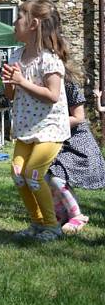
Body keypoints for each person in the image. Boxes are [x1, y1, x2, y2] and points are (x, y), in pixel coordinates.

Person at [2, 0, 71, 242]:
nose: (14, 22)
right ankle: (37, 223)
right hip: (26, 127)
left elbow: (52, 96)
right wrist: (9, 84)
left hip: (50, 129)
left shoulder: (50, 59)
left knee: (33, 174)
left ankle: (52, 227)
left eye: (18, 17)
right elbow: (11, 96)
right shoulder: (16, 55)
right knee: (18, 172)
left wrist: (22, 81)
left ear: (33, 24)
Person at [47, 81, 105, 234]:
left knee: (56, 177)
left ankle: (77, 215)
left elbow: (79, 117)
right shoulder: (40, 85)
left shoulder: (68, 86)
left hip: (78, 144)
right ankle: (62, 214)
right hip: (58, 141)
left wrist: (49, 124)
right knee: (46, 176)